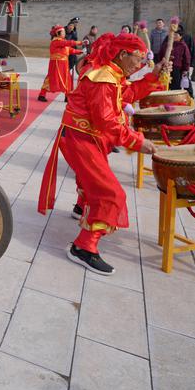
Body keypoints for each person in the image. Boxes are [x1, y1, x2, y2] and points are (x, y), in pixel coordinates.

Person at [38, 33, 167, 275]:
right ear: (122, 54)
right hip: (80, 139)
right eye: (138, 58)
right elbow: (106, 121)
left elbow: (128, 94)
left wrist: (152, 78)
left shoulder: (112, 74)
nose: (140, 64)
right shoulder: (103, 78)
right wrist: (137, 141)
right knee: (111, 194)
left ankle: (85, 215)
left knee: (96, 186)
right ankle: (83, 247)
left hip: (87, 137)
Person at [38, 25, 83, 102]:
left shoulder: (62, 42)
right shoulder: (56, 42)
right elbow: (69, 43)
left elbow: (69, 50)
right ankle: (42, 95)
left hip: (64, 65)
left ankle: (67, 96)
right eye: (63, 32)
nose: (64, 33)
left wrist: (80, 52)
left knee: (68, 79)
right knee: (51, 79)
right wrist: (80, 42)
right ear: (58, 33)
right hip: (56, 64)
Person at [157, 29, 192, 95]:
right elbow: (160, 54)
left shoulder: (183, 46)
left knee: (175, 85)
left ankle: (174, 98)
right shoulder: (166, 44)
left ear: (180, 36)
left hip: (177, 68)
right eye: (173, 35)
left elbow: (187, 58)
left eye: (176, 35)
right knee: (164, 84)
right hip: (165, 68)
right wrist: (161, 63)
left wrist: (185, 69)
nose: (174, 36)